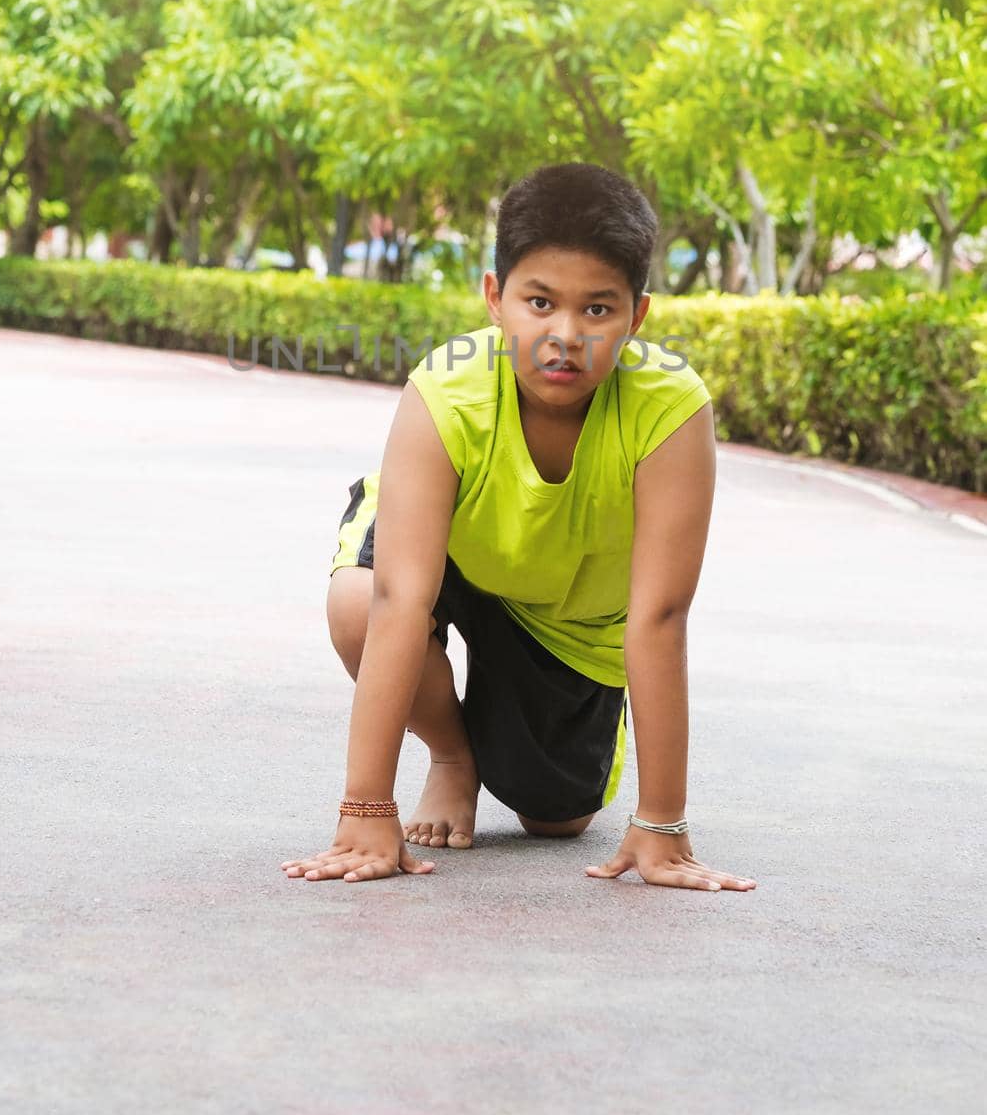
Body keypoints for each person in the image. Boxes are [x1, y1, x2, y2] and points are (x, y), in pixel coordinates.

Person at [282, 162, 756, 893]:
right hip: (450, 556)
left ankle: (522, 746)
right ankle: (451, 754)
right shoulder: (447, 389)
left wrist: (661, 824)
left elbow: (660, 614)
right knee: (361, 603)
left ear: (638, 314)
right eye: (539, 302)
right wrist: (366, 808)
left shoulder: (669, 409)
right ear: (495, 299)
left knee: (554, 815)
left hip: (566, 613)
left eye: (597, 310)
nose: (563, 335)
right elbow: (400, 599)